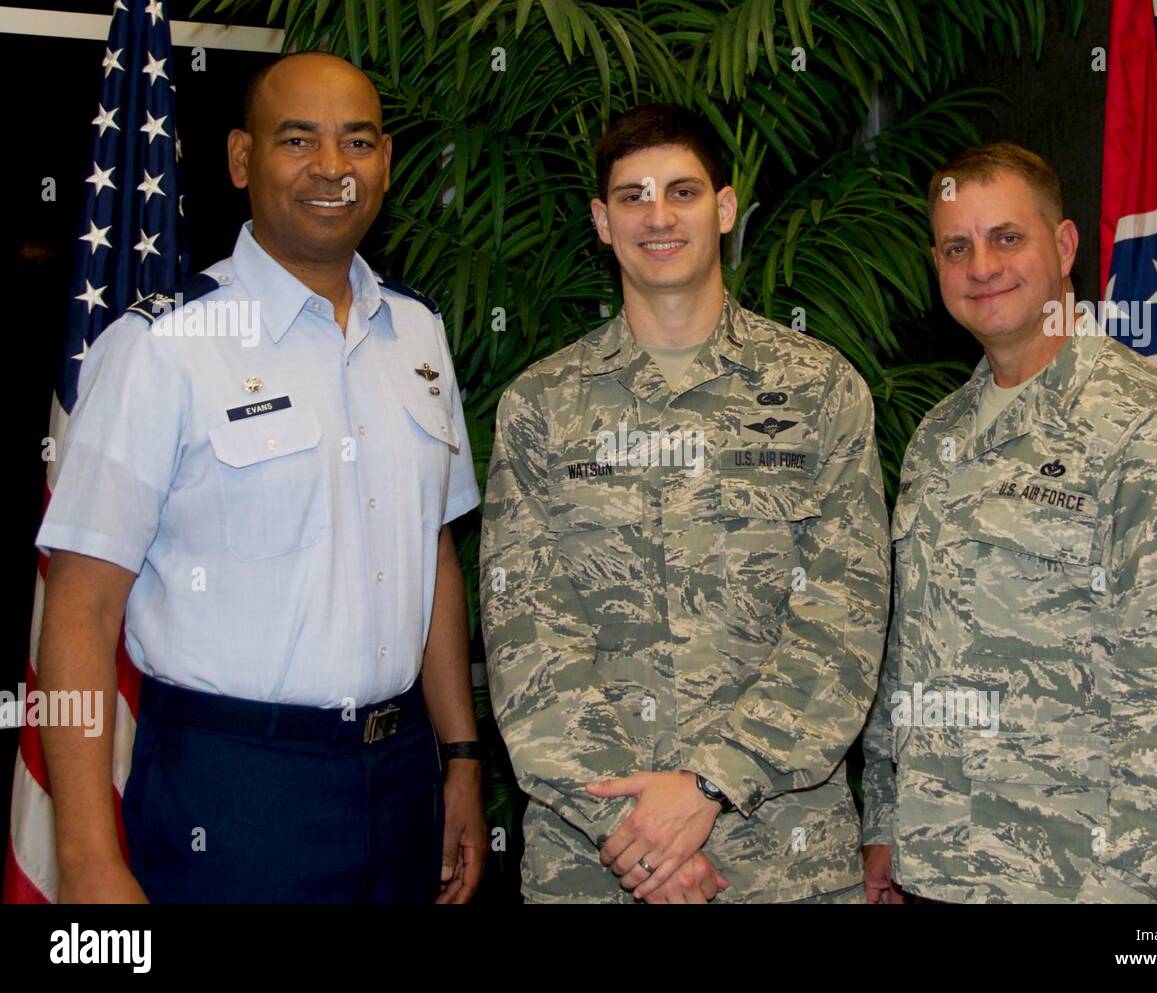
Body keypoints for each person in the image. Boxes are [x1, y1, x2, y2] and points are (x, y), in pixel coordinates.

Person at [37, 51, 485, 903]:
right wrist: (89, 857)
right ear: (243, 159)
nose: (331, 168)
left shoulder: (419, 335)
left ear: (386, 162)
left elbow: (434, 556)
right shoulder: (164, 346)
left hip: (400, 782)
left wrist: (459, 757)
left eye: (357, 141)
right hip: (231, 789)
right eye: (298, 140)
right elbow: (79, 605)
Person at [480, 102, 890, 903]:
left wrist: (708, 785)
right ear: (602, 221)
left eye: (683, 191)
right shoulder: (540, 406)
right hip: (594, 865)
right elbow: (525, 635)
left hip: (782, 861)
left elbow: (845, 621)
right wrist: (635, 837)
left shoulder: (821, 391)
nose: (657, 216)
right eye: (632, 196)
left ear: (725, 208)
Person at [861, 142, 1157, 904]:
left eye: (1006, 237)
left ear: (1065, 244)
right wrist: (887, 825)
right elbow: (911, 651)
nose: (981, 266)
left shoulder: (1153, 435)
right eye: (957, 246)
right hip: (939, 875)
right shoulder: (938, 438)